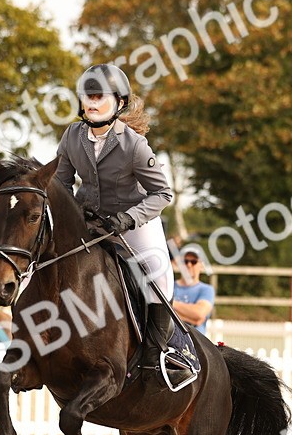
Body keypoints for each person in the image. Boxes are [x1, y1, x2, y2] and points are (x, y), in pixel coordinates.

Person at [55, 63, 191, 386]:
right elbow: (60, 184)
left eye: (99, 97)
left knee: (158, 272)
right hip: (89, 221)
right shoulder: (72, 136)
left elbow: (162, 193)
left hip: (134, 222)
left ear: (119, 103)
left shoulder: (134, 145)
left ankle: (161, 354)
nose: (91, 103)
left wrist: (128, 218)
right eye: (88, 97)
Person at [172, 245, 215, 335]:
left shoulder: (207, 290)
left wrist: (170, 304)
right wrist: (190, 317)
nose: (189, 265)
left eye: (194, 262)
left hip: (195, 341)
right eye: (185, 261)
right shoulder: (169, 287)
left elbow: (199, 314)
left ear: (201, 265)